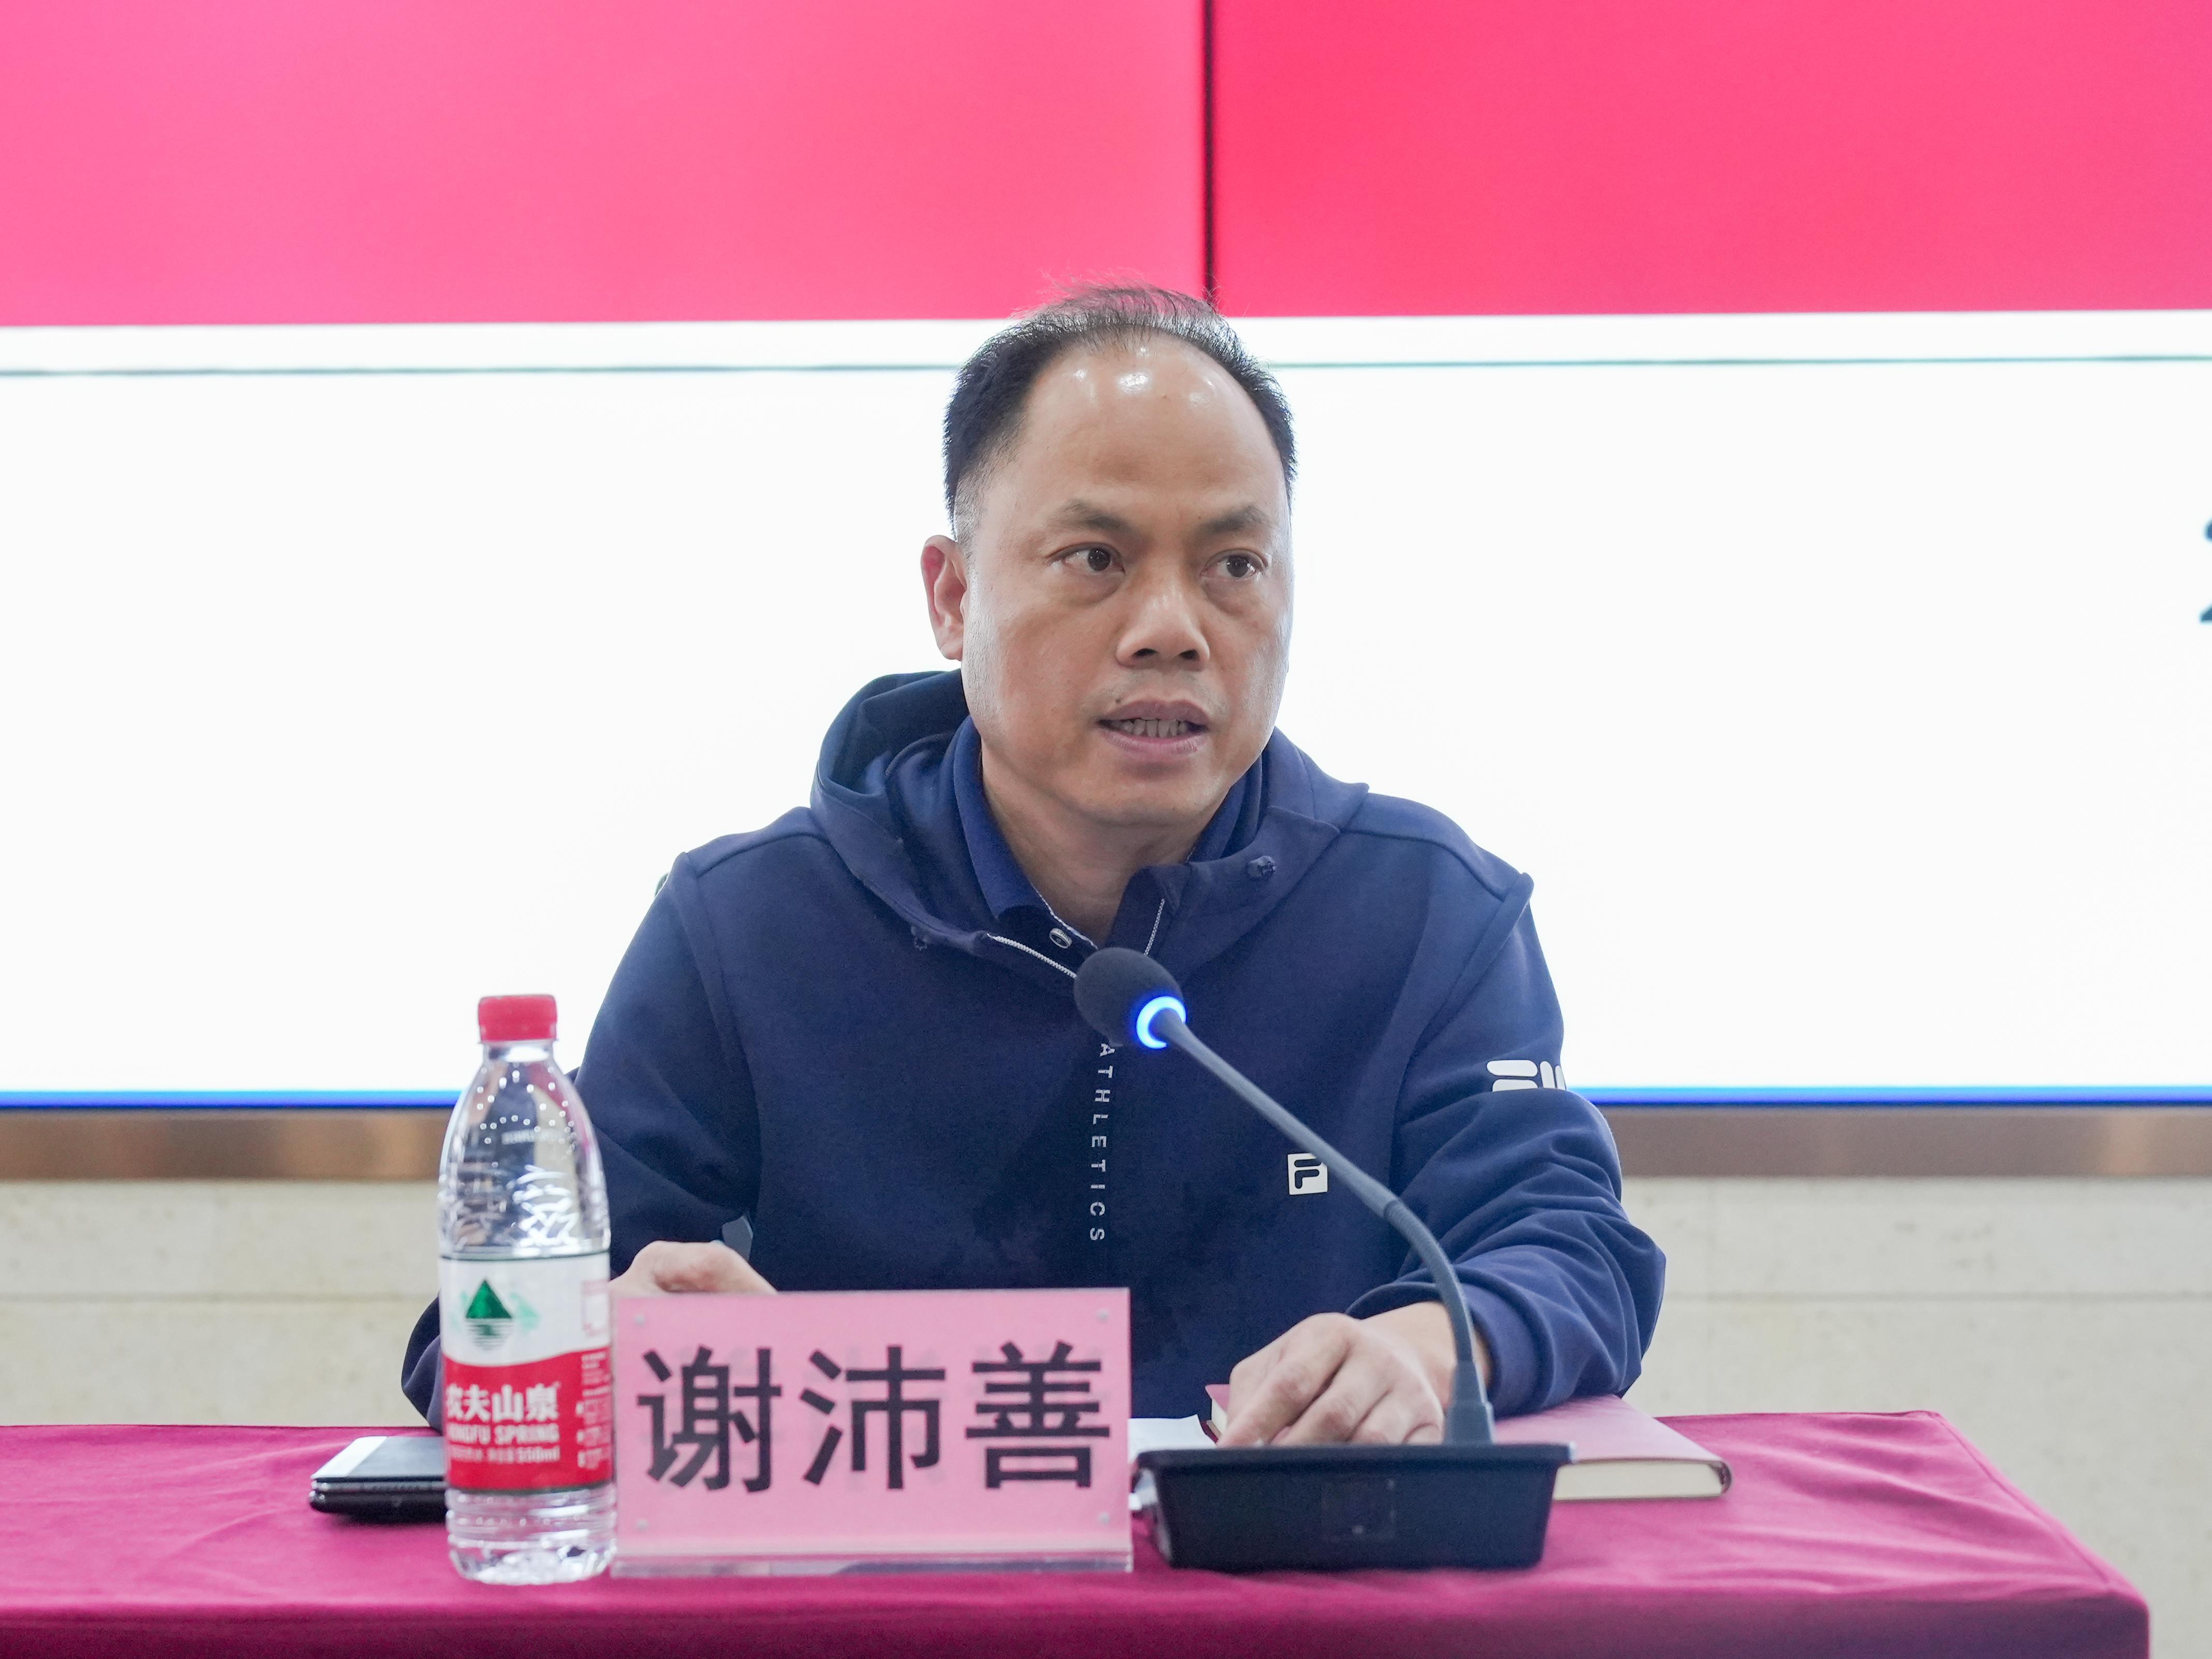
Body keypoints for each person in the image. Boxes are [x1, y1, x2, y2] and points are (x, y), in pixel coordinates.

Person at [403, 285, 1663, 1446]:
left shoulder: (1428, 912)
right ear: (952, 598)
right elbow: (474, 1343)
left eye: (1233, 565)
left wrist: (1433, 1343)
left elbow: (1572, 1247)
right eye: (1095, 560)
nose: (1169, 629)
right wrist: (608, 1332)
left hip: (1289, 1574)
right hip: (880, 1583)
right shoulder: (746, 926)